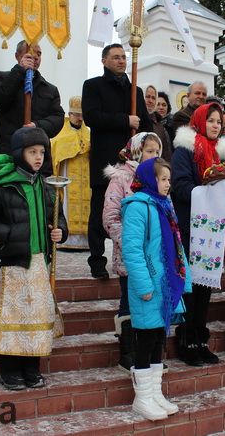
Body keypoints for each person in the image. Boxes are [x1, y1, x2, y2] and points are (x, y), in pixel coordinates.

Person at [0, 127, 68, 390]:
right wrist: (11, 234)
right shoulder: (4, 184)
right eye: (32, 152)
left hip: (41, 262)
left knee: (38, 315)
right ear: (19, 153)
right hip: (16, 262)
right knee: (16, 315)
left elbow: (57, 218)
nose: (38, 157)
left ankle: (32, 367)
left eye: (41, 152)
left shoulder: (47, 186)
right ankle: (10, 369)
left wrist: (61, 232)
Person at [171, 102, 225, 366]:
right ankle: (186, 341)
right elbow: (180, 188)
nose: (216, 125)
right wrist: (209, 190)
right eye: (211, 120)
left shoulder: (222, 155)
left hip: (213, 231)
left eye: (219, 122)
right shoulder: (184, 150)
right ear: (200, 121)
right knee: (191, 288)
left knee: (205, 287)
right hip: (190, 228)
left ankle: (201, 340)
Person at [122, 157, 191, 421]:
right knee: (146, 339)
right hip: (149, 286)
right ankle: (142, 398)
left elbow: (176, 244)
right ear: (150, 179)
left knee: (159, 339)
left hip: (165, 285)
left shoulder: (164, 205)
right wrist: (143, 285)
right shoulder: (138, 207)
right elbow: (132, 250)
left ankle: (155, 393)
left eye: (169, 179)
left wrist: (182, 279)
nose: (167, 184)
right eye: (163, 179)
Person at [82, 43, 152, 279]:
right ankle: (97, 261)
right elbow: (92, 117)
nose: (122, 61)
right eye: (116, 57)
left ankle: (129, 257)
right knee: (100, 210)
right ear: (104, 61)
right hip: (106, 160)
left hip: (132, 165)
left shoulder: (135, 91)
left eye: (124, 57)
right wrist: (125, 121)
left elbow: (145, 125)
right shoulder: (93, 86)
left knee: (131, 212)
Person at [103, 132, 162, 373]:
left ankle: (146, 355)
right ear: (136, 152)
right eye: (149, 151)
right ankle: (127, 352)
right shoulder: (121, 179)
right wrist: (131, 243)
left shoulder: (156, 179)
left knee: (150, 305)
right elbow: (110, 217)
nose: (154, 156)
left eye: (157, 152)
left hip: (154, 258)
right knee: (129, 302)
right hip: (131, 256)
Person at [0, 40, 65, 163]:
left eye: (39, 54)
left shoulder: (50, 89)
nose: (35, 57)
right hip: (9, 154)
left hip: (39, 159)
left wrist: (36, 126)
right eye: (30, 53)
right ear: (18, 56)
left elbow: (57, 119)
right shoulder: (2, 78)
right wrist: (19, 70)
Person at [50, 96, 91, 250]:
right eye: (76, 114)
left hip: (85, 177)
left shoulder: (87, 132)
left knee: (86, 205)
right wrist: (77, 147)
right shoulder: (62, 131)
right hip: (69, 175)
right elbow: (56, 146)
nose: (80, 118)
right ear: (70, 114)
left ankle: (84, 241)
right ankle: (68, 240)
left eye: (82, 115)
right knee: (68, 204)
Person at [145, 85, 172, 163]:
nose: (150, 101)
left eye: (153, 98)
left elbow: (166, 152)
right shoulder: (135, 119)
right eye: (147, 97)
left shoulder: (159, 124)